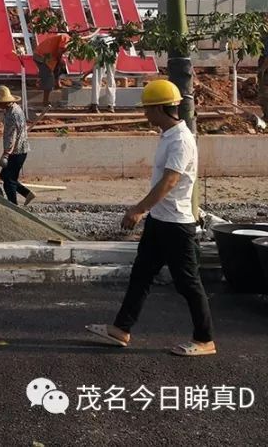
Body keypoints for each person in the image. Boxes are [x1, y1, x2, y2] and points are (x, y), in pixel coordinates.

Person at [86, 79, 216, 357]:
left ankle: (205, 339)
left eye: (147, 109)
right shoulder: (168, 136)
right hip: (160, 221)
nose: (145, 114)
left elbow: (170, 181)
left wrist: (138, 209)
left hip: (177, 225)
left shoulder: (182, 140)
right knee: (141, 274)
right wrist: (148, 212)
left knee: (188, 282)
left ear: (159, 109)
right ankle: (121, 329)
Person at [0, 85, 35, 206]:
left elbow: (11, 135)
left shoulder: (11, 115)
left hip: (16, 151)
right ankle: (27, 194)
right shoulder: (15, 108)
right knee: (5, 175)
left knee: (9, 180)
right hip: (20, 150)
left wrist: (6, 154)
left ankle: (13, 205)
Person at [33, 32, 70, 107]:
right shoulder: (65, 37)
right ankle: (45, 102)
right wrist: (59, 60)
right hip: (41, 56)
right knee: (48, 77)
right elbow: (60, 51)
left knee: (60, 65)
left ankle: (57, 83)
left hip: (47, 56)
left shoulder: (63, 37)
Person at [88, 32, 118, 113]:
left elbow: (90, 45)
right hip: (111, 51)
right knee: (111, 79)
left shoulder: (95, 35)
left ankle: (95, 104)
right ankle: (110, 105)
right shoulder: (113, 34)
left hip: (102, 52)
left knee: (97, 79)